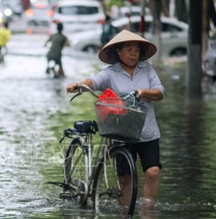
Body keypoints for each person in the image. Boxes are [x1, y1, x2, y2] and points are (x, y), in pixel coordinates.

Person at [66, 29, 164, 206]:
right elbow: (93, 82)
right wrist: (79, 85)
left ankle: (148, 211)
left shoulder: (147, 69)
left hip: (147, 131)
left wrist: (144, 92)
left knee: (153, 171)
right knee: (125, 179)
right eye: (128, 49)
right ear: (118, 52)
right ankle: (125, 212)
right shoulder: (110, 73)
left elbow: (159, 92)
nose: (133, 53)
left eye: (136, 50)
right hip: (122, 131)